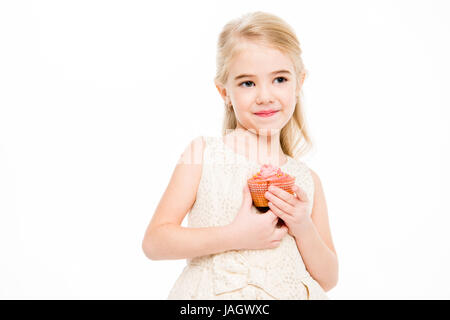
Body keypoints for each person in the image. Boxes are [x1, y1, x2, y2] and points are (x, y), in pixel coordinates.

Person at [142, 11, 338, 300]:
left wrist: (302, 225)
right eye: (248, 83)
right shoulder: (203, 155)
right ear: (224, 92)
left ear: (299, 82)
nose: (265, 96)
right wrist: (236, 236)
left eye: (280, 79)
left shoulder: (308, 181)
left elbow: (329, 277)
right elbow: (155, 242)